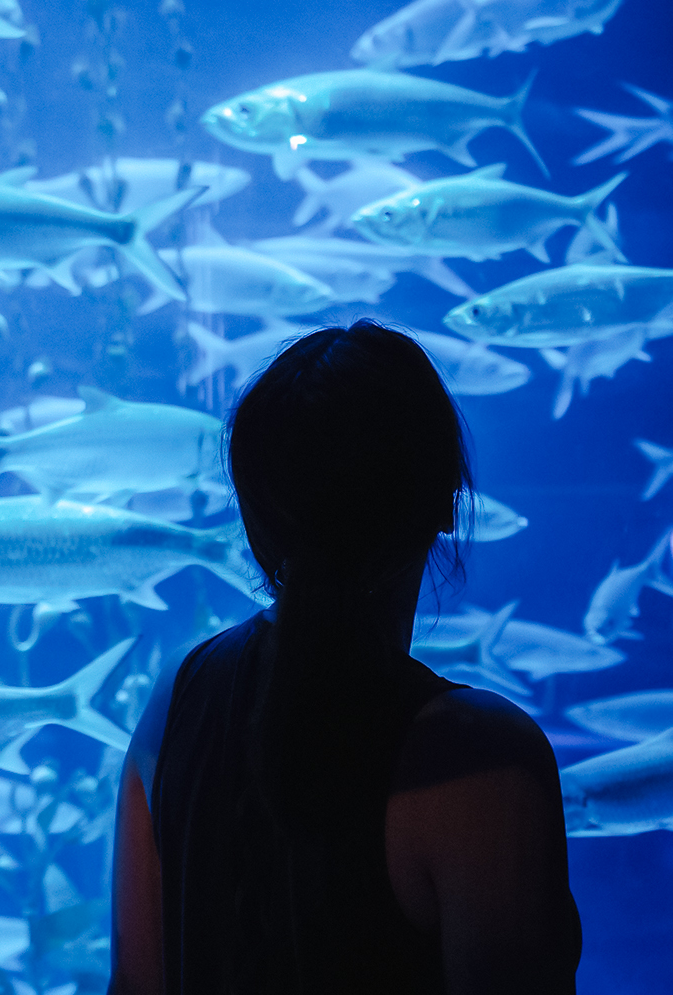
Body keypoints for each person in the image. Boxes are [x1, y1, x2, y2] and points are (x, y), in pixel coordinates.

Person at [109, 321, 580, 995]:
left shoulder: (173, 705)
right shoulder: (480, 759)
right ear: (445, 498)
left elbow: (133, 983)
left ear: (256, 522)